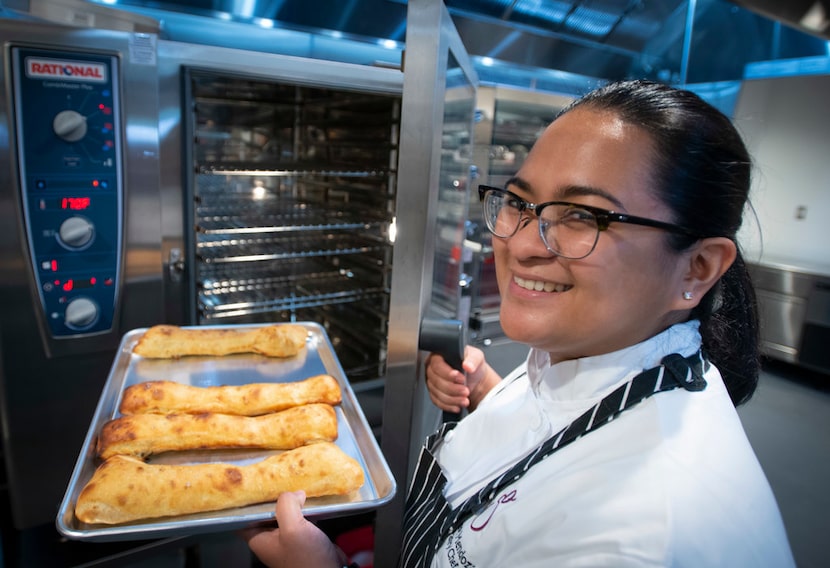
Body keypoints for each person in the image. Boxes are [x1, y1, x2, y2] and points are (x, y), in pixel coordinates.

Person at [244, 79, 795, 567]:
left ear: (696, 269)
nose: (522, 244)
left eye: (584, 217)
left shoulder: (641, 532)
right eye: (521, 203)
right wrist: (492, 394)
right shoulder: (587, 356)